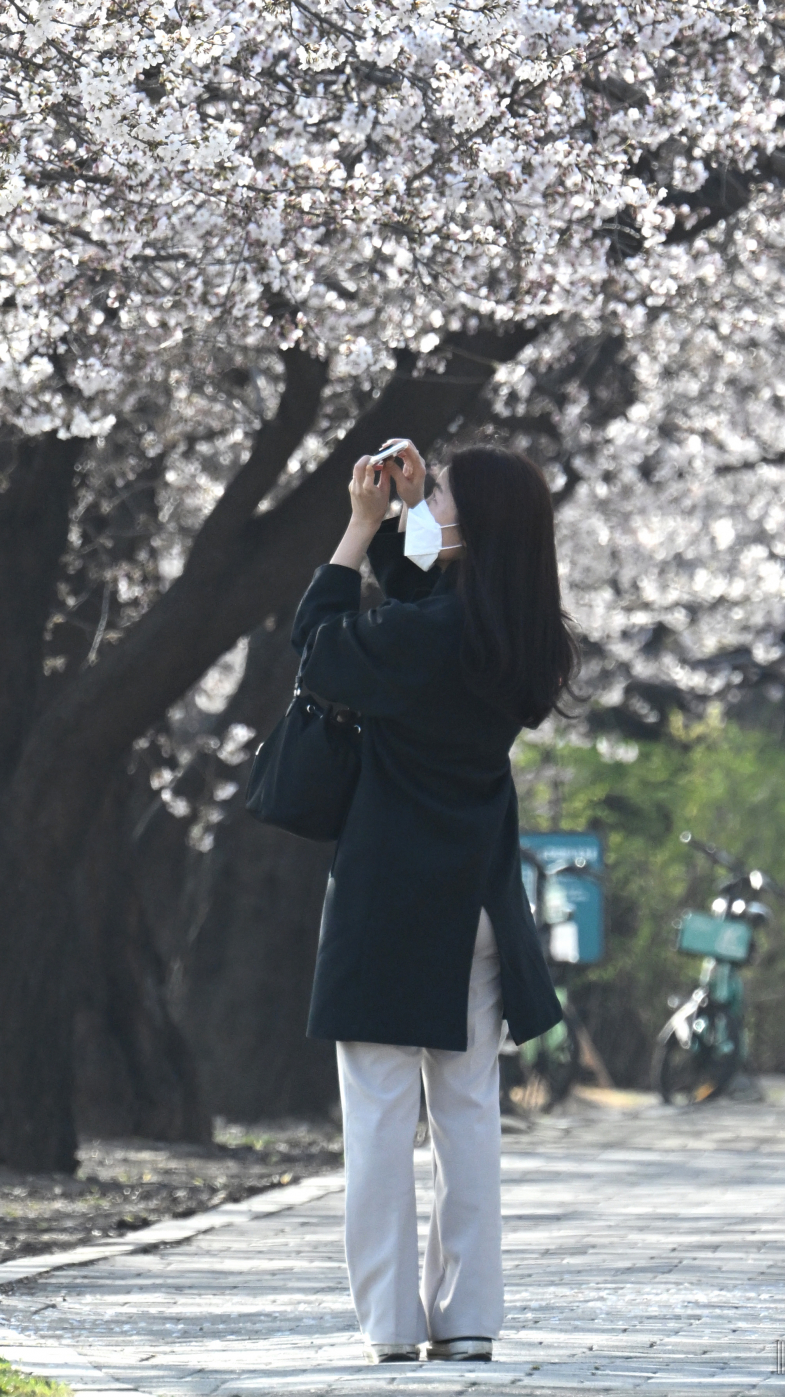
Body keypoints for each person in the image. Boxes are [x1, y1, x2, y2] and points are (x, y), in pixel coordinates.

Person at [290, 441, 574, 1365]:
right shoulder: (522, 640)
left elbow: (323, 652)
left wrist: (362, 526)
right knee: (467, 1115)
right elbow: (422, 614)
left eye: (440, 492)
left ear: (471, 523)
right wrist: (410, 530)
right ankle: (469, 1319)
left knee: (376, 1111)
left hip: (387, 898)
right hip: (480, 901)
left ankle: (390, 1324)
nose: (427, 494)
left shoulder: (426, 635)